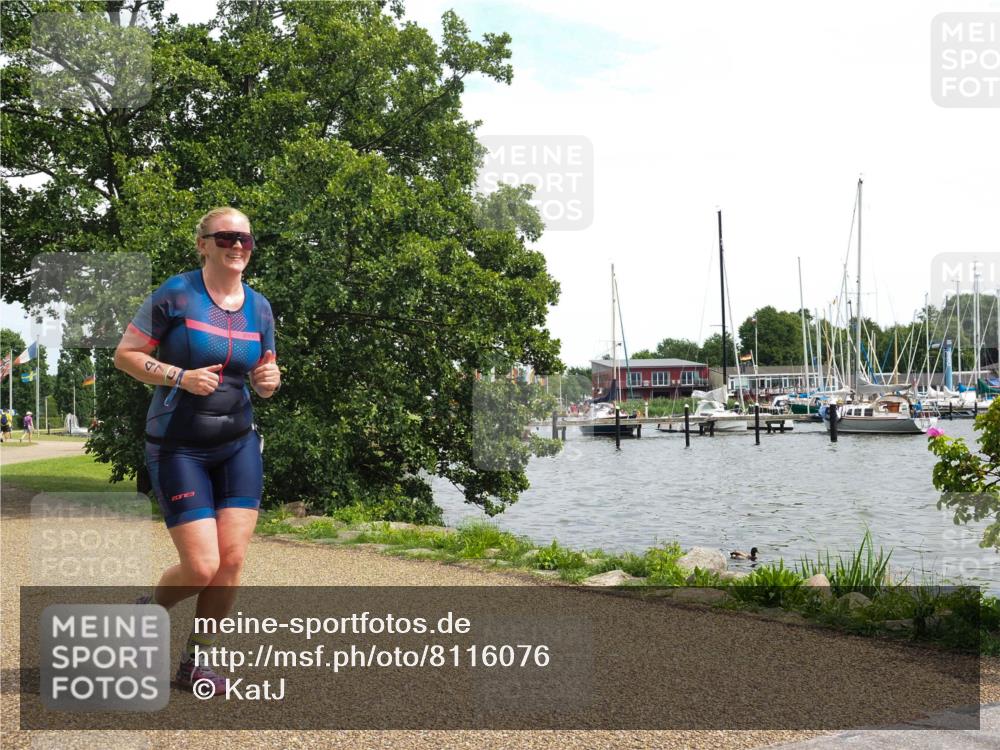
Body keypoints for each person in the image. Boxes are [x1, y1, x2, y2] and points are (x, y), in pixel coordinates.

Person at [114, 206, 280, 696]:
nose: (238, 246)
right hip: (179, 445)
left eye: (246, 240)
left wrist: (269, 381)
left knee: (230, 563)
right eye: (226, 237)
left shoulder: (261, 307)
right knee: (203, 565)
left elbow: (264, 372)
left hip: (238, 444)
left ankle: (197, 663)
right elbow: (127, 355)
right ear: (202, 244)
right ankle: (150, 611)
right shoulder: (176, 293)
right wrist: (179, 376)